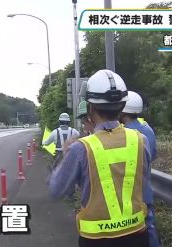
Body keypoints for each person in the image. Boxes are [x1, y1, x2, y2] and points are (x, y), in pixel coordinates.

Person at [48, 69, 151, 247]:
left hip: (96, 240)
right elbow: (142, 179)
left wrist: (66, 157)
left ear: (90, 107)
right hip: (137, 235)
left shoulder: (80, 149)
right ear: (122, 105)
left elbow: (57, 189)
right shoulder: (141, 140)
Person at [119, 90, 159, 247]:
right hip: (146, 190)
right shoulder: (148, 130)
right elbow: (152, 155)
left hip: (128, 194)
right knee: (149, 228)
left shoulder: (124, 134)